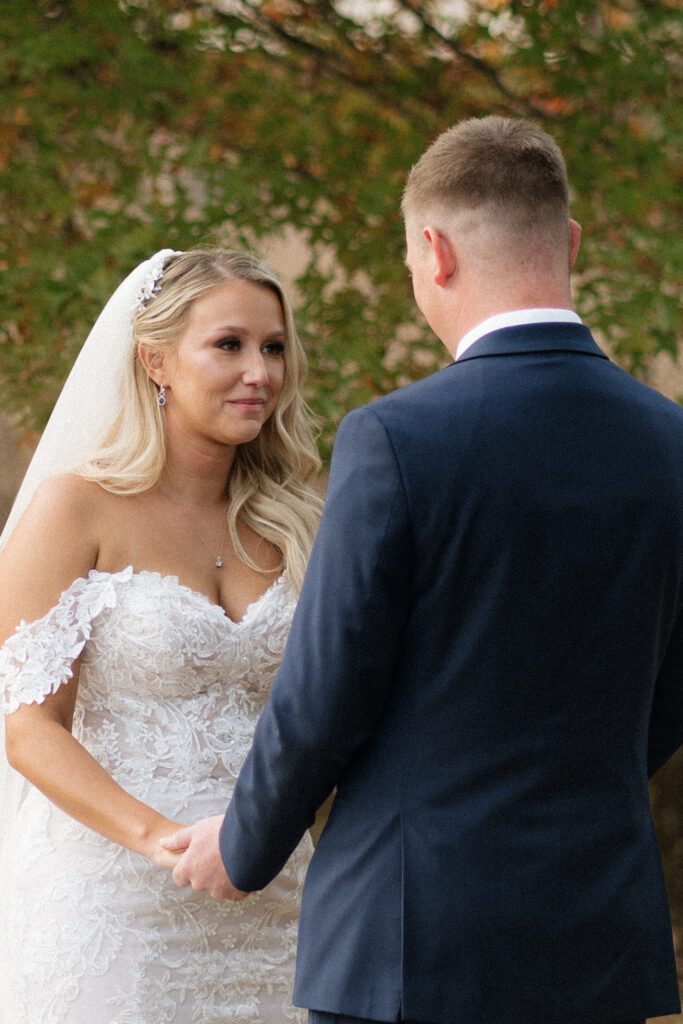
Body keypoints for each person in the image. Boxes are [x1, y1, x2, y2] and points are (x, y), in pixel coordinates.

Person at [163, 117, 683, 1024]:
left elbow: (325, 691)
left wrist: (245, 848)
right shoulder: (668, 440)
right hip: (599, 934)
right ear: (566, 242)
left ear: (433, 252)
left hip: (414, 942)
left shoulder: (397, 438)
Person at [0, 247, 322, 1023]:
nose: (260, 372)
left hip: (277, 901)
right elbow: (26, 727)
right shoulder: (75, 509)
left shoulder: (298, 521)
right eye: (228, 345)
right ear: (155, 360)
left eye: (273, 347)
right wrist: (159, 841)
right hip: (115, 898)